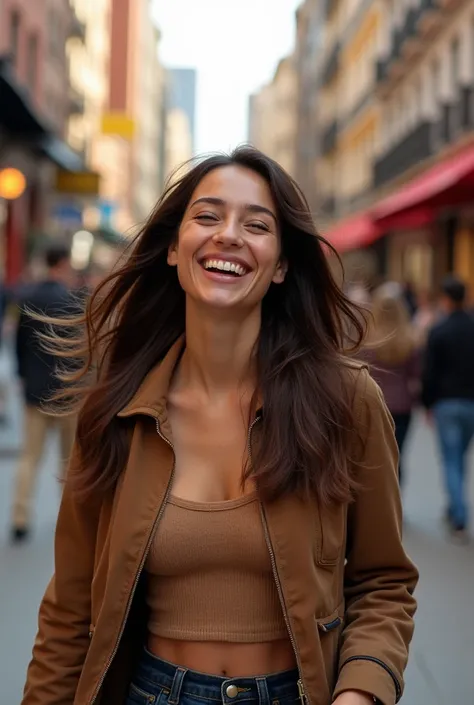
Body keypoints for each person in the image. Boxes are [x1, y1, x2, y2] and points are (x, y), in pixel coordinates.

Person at [22, 148, 418, 705]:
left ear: (280, 264)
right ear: (171, 247)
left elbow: (384, 581)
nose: (228, 235)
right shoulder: (117, 409)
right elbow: (67, 612)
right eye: (207, 216)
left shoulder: (346, 400)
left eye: (256, 225)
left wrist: (361, 692)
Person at [11, 244, 77, 542]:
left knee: (29, 457)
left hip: (34, 391)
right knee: (68, 462)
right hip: (68, 392)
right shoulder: (74, 301)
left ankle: (19, 516)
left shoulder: (29, 297)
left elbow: (19, 344)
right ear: (63, 263)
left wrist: (22, 376)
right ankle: (69, 521)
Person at [422, 275, 474, 543]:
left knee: (451, 458)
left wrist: (427, 403)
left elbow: (429, 372)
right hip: (470, 402)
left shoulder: (438, 330)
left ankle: (458, 515)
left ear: (445, 298)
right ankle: (456, 507)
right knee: (460, 457)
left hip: (446, 402)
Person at [362, 283, 420, 485]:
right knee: (398, 455)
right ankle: (397, 502)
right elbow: (416, 376)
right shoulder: (411, 340)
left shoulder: (368, 341)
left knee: (375, 457)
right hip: (403, 405)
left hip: (375, 404)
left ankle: (379, 503)